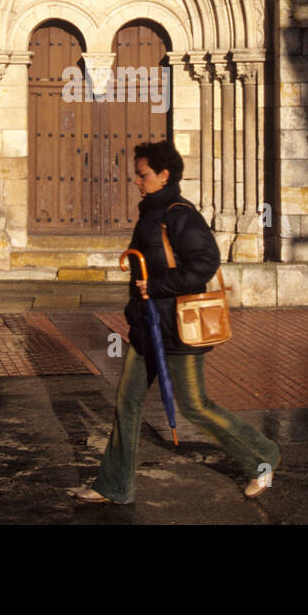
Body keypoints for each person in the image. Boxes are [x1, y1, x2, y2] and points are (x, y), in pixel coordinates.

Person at [71, 139, 282, 504]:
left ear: (163, 174)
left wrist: (154, 285)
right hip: (146, 328)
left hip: (178, 329)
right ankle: (113, 486)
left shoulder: (180, 213)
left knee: (193, 405)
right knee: (127, 403)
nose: (137, 181)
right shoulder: (150, 211)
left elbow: (204, 264)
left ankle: (262, 457)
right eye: (137, 175)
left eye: (143, 175)